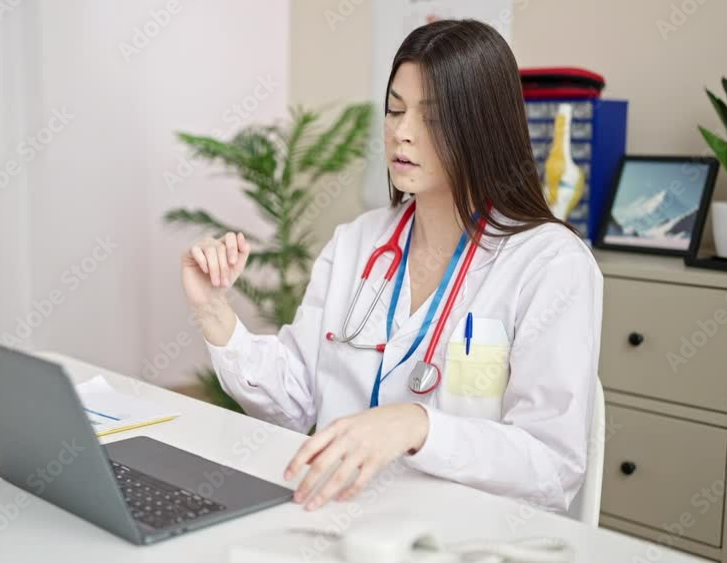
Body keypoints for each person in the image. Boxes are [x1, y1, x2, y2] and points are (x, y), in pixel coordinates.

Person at [179, 19, 602, 513]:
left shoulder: (550, 264)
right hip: (340, 517)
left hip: (463, 535)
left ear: (484, 126)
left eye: (433, 118)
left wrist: (418, 426)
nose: (402, 132)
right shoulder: (358, 243)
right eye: (395, 110)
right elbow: (293, 404)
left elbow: (550, 465)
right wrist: (213, 310)